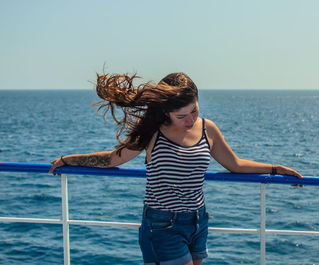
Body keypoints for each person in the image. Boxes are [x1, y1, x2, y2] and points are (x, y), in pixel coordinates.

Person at [49, 72, 302, 265]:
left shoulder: (207, 128)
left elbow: (234, 164)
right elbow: (113, 159)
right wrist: (68, 160)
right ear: (166, 112)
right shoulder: (152, 131)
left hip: (198, 220)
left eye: (194, 110)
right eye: (182, 116)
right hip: (162, 224)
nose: (190, 120)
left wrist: (275, 168)